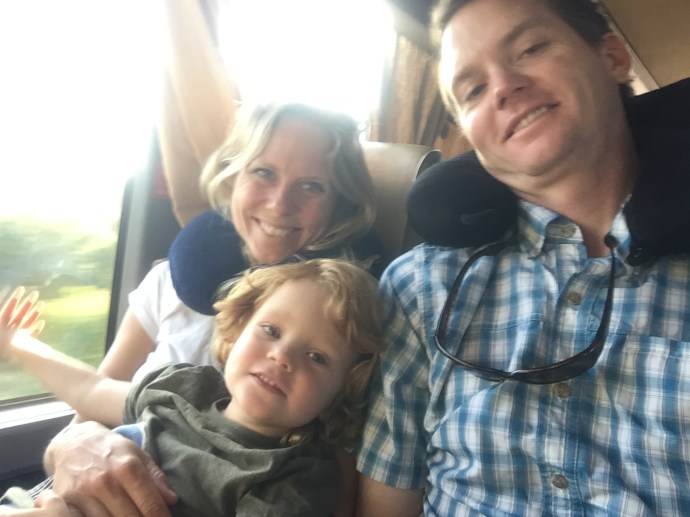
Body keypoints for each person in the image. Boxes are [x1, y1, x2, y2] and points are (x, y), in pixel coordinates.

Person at [356, 0, 690, 515]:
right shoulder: (419, 287)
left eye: (531, 48)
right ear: (471, 136)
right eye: (473, 90)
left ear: (612, 57)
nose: (503, 86)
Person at [1, 258, 386, 516]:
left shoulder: (293, 478)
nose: (282, 356)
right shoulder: (183, 386)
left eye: (317, 357)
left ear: (342, 391)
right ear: (236, 333)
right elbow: (91, 389)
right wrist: (16, 343)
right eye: (271, 331)